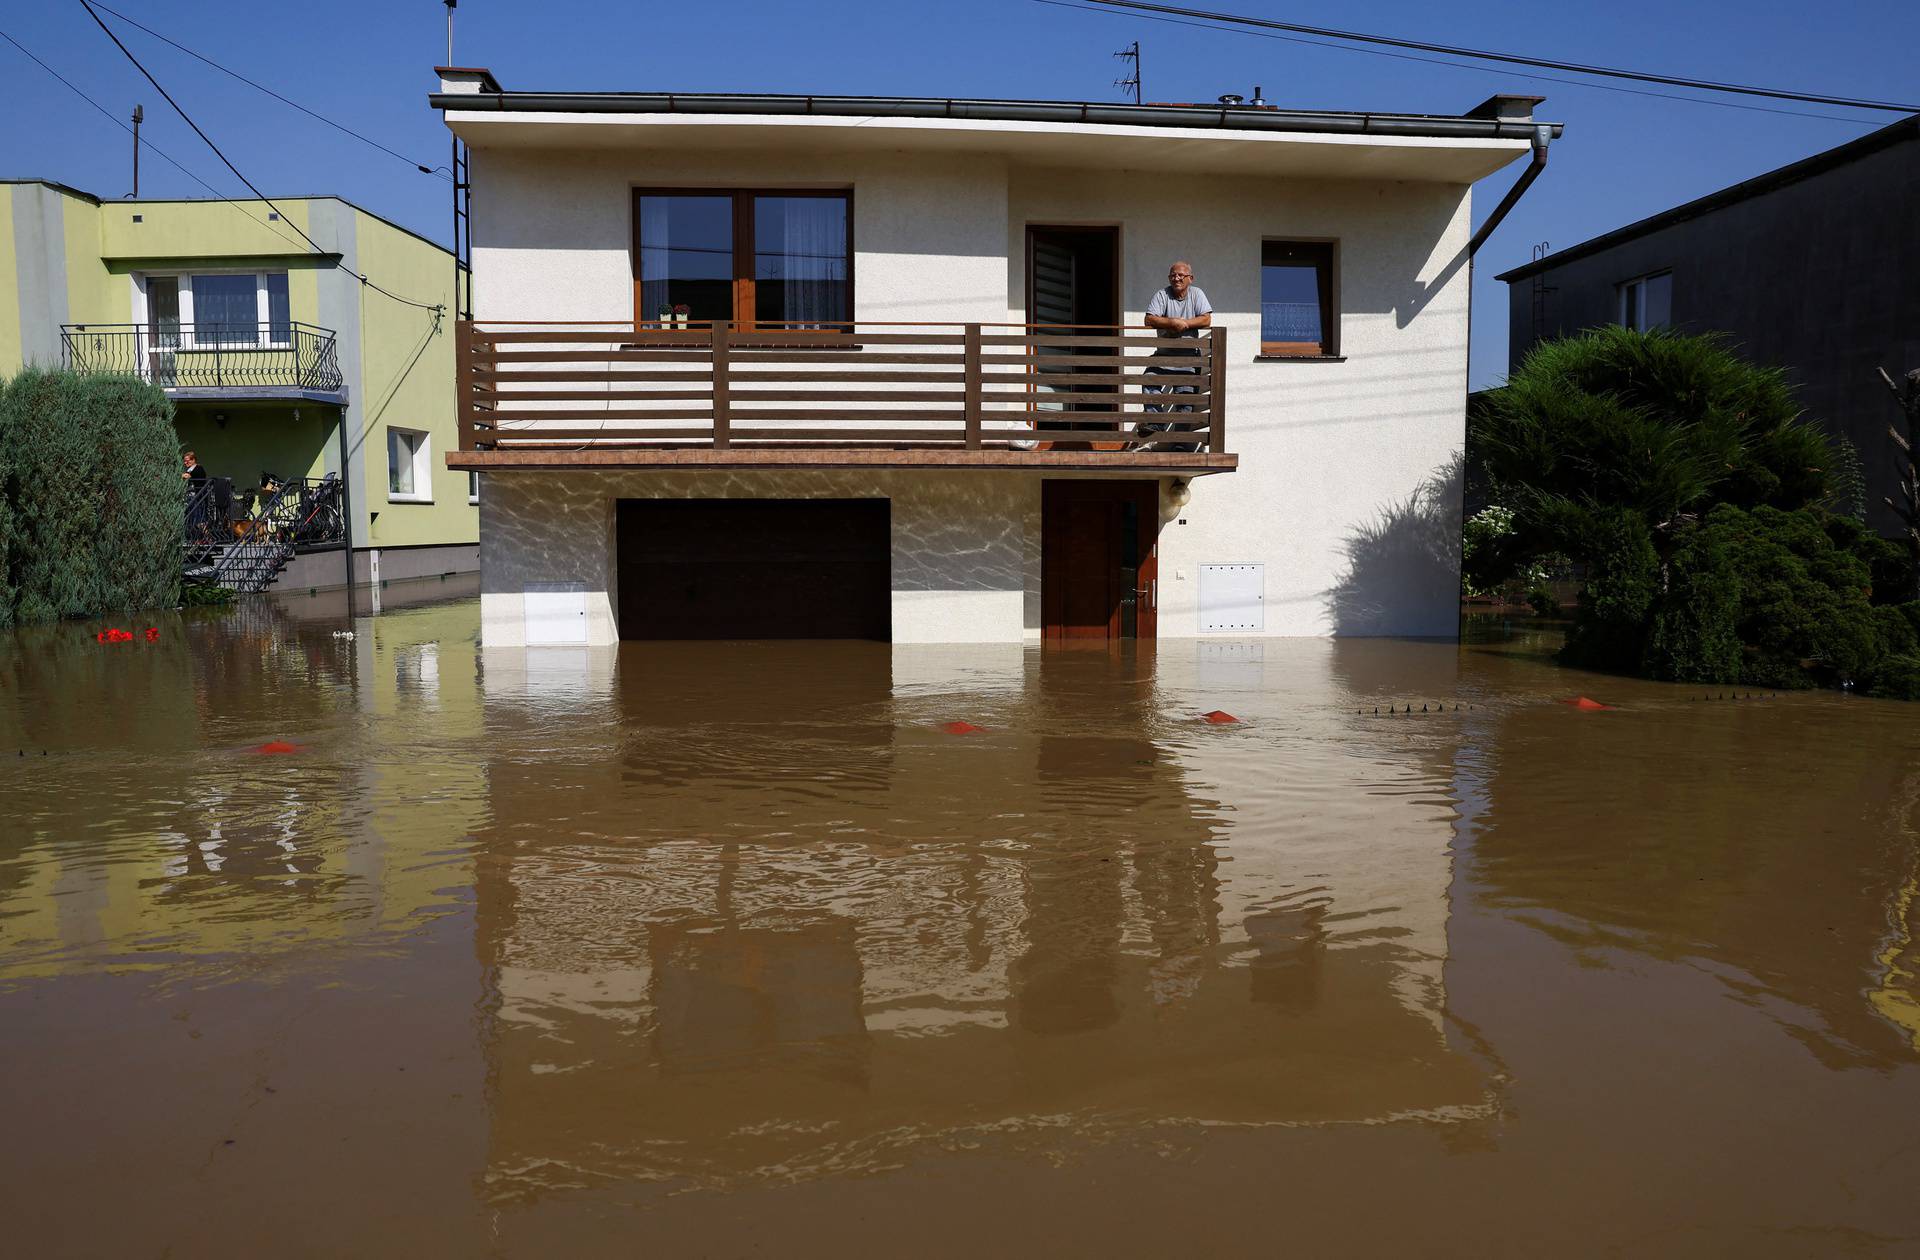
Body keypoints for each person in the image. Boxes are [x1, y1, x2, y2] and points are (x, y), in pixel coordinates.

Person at [1138, 262, 1212, 451]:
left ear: (1190, 278)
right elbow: (1149, 319)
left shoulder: (1197, 294)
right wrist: (1171, 322)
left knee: (1185, 401)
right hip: (1164, 354)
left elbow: (1206, 318)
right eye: (1172, 275)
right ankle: (1156, 422)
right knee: (1149, 378)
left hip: (1188, 358)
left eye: (1180, 275)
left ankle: (1179, 444)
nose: (1176, 278)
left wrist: (1185, 324)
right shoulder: (1162, 294)